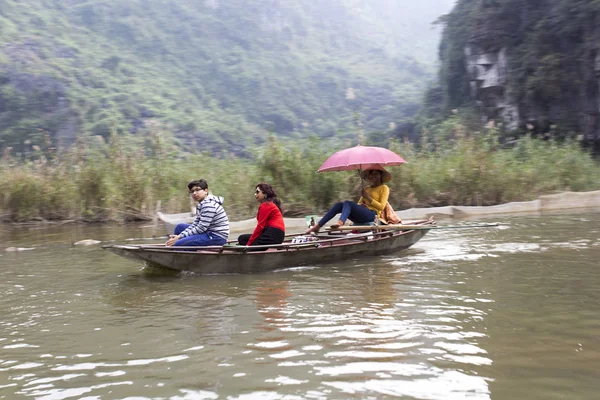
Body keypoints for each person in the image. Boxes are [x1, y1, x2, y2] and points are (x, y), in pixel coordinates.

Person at [305, 166, 391, 234]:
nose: (373, 176)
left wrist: (368, 198)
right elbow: (358, 204)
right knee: (339, 205)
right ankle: (317, 226)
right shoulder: (367, 189)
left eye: (376, 173)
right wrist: (361, 205)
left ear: (381, 175)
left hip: (373, 215)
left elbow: (381, 207)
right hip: (364, 213)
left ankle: (341, 222)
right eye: (371, 173)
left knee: (348, 203)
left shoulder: (384, 188)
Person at [165, 179, 230, 247]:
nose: (194, 193)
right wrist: (180, 236)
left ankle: (182, 250)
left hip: (216, 236)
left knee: (178, 244)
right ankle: (177, 245)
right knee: (179, 227)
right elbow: (196, 224)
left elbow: (201, 228)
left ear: (206, 190)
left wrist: (179, 237)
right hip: (207, 232)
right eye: (192, 191)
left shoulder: (209, 205)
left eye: (197, 190)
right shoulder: (202, 204)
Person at [237, 183, 285, 247]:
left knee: (243, 240)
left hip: (272, 234)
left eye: (257, 192)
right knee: (242, 238)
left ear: (265, 193)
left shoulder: (266, 205)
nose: (255, 194)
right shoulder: (269, 204)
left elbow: (260, 227)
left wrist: (248, 245)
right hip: (277, 235)